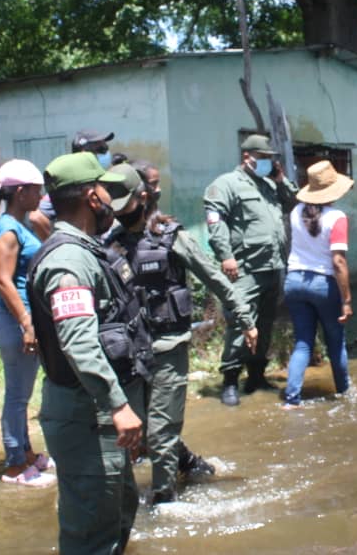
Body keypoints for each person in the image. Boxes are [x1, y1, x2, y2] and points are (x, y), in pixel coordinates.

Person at [106, 163, 256, 504]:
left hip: (167, 349)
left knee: (160, 434)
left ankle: (164, 502)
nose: (116, 213)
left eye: (123, 203)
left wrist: (246, 319)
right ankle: (190, 465)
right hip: (128, 353)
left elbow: (215, 278)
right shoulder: (109, 245)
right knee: (136, 433)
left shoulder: (172, 237)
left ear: (142, 198)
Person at [26, 152, 152, 554]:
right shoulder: (69, 262)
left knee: (118, 514)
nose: (110, 198)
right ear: (91, 197)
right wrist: (118, 406)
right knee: (93, 537)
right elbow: (78, 341)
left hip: (97, 416)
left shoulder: (87, 250)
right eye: (104, 188)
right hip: (88, 417)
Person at [204, 134, 298, 406]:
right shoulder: (226, 184)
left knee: (265, 324)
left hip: (271, 265)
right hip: (244, 269)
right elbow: (215, 220)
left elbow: (292, 202)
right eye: (265, 158)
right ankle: (230, 381)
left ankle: (256, 376)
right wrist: (226, 256)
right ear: (248, 157)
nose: (270, 163)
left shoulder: (269, 184)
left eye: (271, 159)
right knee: (240, 325)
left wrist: (281, 180)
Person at [0, 159, 56, 487]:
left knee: (22, 393)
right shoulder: (8, 231)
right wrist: (27, 324)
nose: (40, 195)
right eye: (35, 190)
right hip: (15, 323)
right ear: (19, 192)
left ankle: (27, 455)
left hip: (21, 321)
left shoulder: (17, 224)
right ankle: (15, 466)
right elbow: (3, 281)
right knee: (17, 395)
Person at [282, 161, 355, 408]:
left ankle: (291, 400)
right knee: (336, 342)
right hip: (323, 285)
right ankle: (345, 394)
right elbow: (338, 262)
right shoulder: (337, 218)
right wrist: (346, 300)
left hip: (293, 281)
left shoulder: (295, 212)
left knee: (303, 342)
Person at [31, 128, 117, 239]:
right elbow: (36, 217)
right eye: (100, 149)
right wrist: (56, 244)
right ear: (83, 153)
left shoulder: (104, 179)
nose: (105, 154)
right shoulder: (72, 186)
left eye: (105, 148)